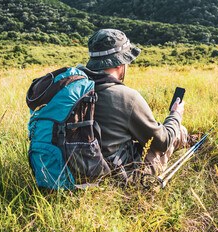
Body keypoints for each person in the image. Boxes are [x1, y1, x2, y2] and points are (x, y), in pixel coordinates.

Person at [76, 29, 188, 183]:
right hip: (117, 177)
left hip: (74, 168)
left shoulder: (74, 88)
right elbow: (162, 142)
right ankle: (187, 138)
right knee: (176, 131)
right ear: (119, 63)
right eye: (127, 59)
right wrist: (176, 114)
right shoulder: (127, 97)